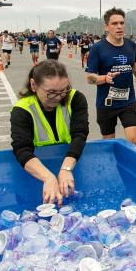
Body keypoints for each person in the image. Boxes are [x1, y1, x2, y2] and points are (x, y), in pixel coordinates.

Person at [10, 60, 90, 206]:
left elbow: (80, 135)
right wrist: (48, 178)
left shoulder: (75, 99)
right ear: (34, 85)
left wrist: (66, 169)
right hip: (36, 172)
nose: (58, 97)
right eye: (51, 92)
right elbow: (22, 150)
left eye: (64, 90)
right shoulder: (22, 110)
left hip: (69, 165)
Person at [85, 8, 136, 145]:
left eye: (122, 23)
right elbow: (90, 78)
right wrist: (105, 78)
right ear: (106, 27)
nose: (119, 26)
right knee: (109, 142)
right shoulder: (97, 48)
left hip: (128, 101)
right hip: (106, 103)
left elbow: (134, 64)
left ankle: (128, 158)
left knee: (134, 140)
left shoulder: (131, 45)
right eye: (114, 23)